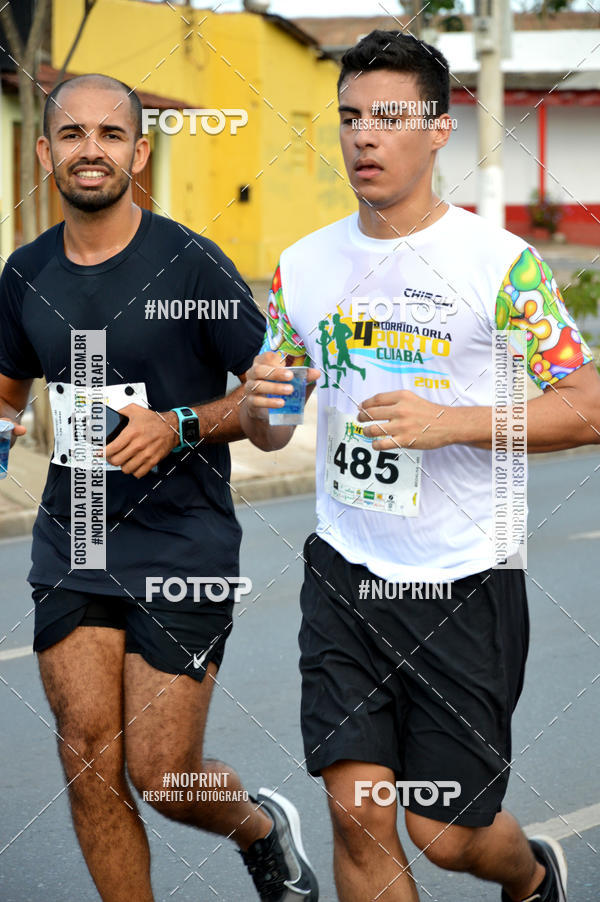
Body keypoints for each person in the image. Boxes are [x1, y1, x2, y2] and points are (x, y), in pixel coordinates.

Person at [240, 31, 600, 902]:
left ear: (439, 130)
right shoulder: (304, 266)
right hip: (346, 575)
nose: (364, 137)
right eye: (351, 117)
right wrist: (261, 404)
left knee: (448, 837)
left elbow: (587, 404)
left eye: (390, 118)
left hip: (463, 582)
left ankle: (530, 877)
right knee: (359, 814)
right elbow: (273, 430)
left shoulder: (500, 267)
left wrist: (456, 422)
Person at [0, 73, 318, 902]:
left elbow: (277, 391)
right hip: (77, 538)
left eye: (111, 135)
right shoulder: (25, 272)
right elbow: (9, 390)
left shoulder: (188, 263)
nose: (91, 150)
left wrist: (180, 424)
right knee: (87, 758)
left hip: (184, 540)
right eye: (72, 135)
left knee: (165, 775)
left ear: (138, 152)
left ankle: (259, 824)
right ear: (46, 153)